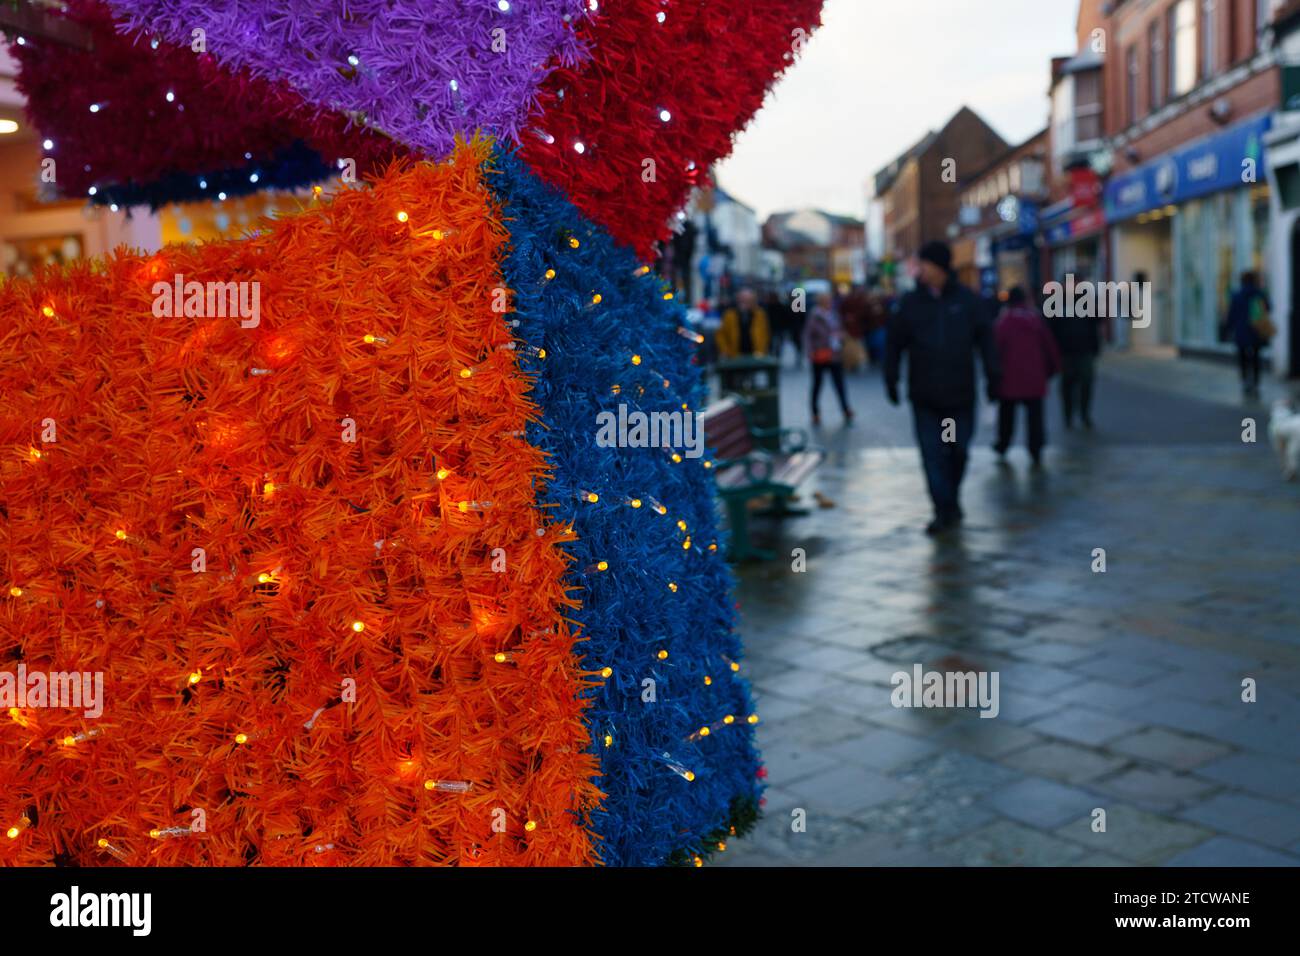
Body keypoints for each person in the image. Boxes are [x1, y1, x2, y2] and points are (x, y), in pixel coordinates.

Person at [885, 241, 999, 536]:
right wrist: (891, 377)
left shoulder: (967, 301)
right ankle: (942, 510)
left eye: (922, 263)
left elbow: (986, 340)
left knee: (957, 451)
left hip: (958, 399)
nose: (918, 269)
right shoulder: (911, 302)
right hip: (926, 399)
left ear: (938, 267)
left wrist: (993, 376)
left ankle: (951, 499)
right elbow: (895, 343)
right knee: (932, 455)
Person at [992, 287, 1060, 467]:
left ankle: (1003, 444)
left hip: (1009, 377)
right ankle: (1035, 448)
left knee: (1007, 414)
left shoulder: (1004, 321)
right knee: (1035, 416)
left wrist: (993, 373)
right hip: (1034, 376)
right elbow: (1049, 345)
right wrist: (1053, 368)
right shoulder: (1035, 319)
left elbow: (995, 348)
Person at [1049, 278, 1105, 429]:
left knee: (1086, 383)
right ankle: (1068, 415)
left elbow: (1098, 320)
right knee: (1067, 385)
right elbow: (1050, 326)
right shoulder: (1057, 303)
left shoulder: (1088, 302)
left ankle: (1084, 414)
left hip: (1085, 350)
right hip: (1065, 352)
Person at [803, 291, 854, 426]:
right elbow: (808, 335)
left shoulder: (834, 314)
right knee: (817, 384)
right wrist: (810, 352)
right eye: (826, 300)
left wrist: (841, 337)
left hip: (834, 353)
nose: (828, 303)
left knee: (839, 383)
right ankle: (815, 412)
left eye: (829, 300)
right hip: (820, 354)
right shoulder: (815, 315)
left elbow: (840, 328)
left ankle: (845, 408)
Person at [1223, 271, 1271, 399]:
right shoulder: (1259, 294)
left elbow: (1231, 314)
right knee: (1255, 356)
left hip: (1241, 330)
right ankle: (1255, 381)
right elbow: (1269, 308)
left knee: (1242, 357)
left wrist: (1228, 329)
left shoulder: (1237, 295)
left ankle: (1245, 380)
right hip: (1256, 330)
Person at [716, 288, 770, 360]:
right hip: (734, 355)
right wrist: (725, 351)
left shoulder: (759, 314)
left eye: (748, 301)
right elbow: (721, 335)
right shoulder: (729, 315)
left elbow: (765, 334)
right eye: (742, 300)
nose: (745, 303)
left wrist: (762, 350)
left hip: (755, 354)